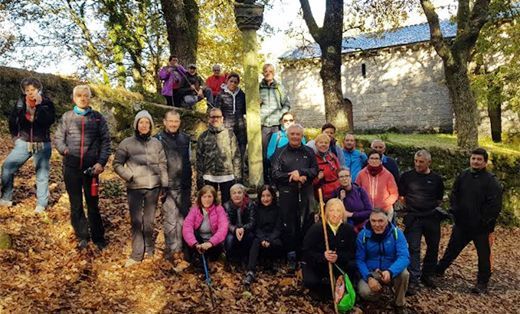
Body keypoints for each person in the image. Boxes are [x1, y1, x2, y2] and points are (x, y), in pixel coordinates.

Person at [435, 148, 502, 294]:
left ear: (485, 162)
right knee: (452, 249)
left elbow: (495, 205)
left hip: (481, 228)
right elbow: (454, 194)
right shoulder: (463, 175)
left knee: (483, 256)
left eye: (479, 159)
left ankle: (482, 283)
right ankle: (438, 271)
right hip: (462, 224)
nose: (475, 161)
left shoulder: (491, 181)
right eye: (473, 159)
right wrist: (455, 211)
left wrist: (484, 221)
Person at [55, 85, 111, 250]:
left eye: (86, 95)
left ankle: (98, 238)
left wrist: (101, 163)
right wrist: (64, 150)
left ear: (89, 98)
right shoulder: (67, 117)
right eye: (79, 95)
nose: (83, 98)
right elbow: (58, 137)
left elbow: (106, 142)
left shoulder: (98, 118)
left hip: (91, 169)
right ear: (74, 98)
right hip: (71, 167)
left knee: (93, 204)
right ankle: (82, 236)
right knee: (76, 203)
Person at [113, 110, 168, 267]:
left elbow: (162, 163)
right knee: (137, 221)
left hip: (153, 187)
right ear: (136, 125)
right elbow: (117, 164)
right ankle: (137, 254)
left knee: (149, 221)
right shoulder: (127, 143)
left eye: (147, 123)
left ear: (150, 125)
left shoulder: (156, 143)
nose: (144, 125)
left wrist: (164, 183)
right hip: (135, 187)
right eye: (141, 122)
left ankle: (149, 249)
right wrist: (129, 175)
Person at [1, 77, 55, 213]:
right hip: (23, 143)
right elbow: (12, 121)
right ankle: (6, 197)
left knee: (42, 175)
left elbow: (48, 121)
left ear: (39, 90)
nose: (30, 92)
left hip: (42, 144)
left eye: (33, 89)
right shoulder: (20, 103)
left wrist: (39, 105)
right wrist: (16, 138)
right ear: (24, 91)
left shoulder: (47, 103)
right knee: (7, 167)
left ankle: (41, 204)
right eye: (27, 90)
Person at [271, 123, 318, 271]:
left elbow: (315, 170)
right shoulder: (280, 152)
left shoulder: (309, 151)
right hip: (287, 192)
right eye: (293, 134)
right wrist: (292, 176)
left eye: (298, 134)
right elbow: (274, 173)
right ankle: (291, 255)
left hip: (306, 192)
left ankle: (305, 255)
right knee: (289, 224)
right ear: (288, 135)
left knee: (307, 222)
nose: (295, 137)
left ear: (302, 136)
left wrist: (302, 173)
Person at [398, 150, 444, 293]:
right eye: (416, 161)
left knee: (433, 246)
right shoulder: (407, 176)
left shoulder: (436, 179)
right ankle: (413, 278)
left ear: (429, 162)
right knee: (413, 247)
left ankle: (428, 275)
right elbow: (402, 196)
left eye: (421, 162)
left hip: (431, 217)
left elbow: (439, 199)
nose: (418, 164)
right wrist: (412, 207)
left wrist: (428, 207)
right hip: (414, 216)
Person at [155, 110, 192, 263]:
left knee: (183, 218)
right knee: (170, 219)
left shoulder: (186, 138)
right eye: (170, 121)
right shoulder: (158, 139)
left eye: (176, 121)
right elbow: (157, 164)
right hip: (168, 185)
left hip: (184, 184)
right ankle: (172, 251)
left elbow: (189, 160)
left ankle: (183, 249)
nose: (173, 124)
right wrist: (161, 185)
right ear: (165, 122)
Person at [302, 198, 357, 300]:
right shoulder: (317, 228)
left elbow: (352, 252)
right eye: (331, 210)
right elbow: (306, 251)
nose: (335, 214)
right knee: (312, 281)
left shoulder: (349, 230)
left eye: (338, 210)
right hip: (318, 265)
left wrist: (338, 257)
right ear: (326, 212)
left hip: (339, 265)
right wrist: (323, 256)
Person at [356, 208, 410, 311]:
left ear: (387, 220)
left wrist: (390, 271)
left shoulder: (397, 233)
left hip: (391, 270)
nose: (377, 224)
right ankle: (378, 293)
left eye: (380, 221)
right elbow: (359, 259)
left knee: (404, 274)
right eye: (373, 221)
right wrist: (369, 278)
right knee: (364, 292)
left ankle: (399, 304)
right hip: (372, 272)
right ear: (369, 221)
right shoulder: (362, 235)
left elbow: (404, 257)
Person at [196, 108, 241, 204]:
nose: (215, 119)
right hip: (209, 176)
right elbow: (199, 158)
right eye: (212, 117)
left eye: (218, 117)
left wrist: (238, 177)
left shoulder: (230, 134)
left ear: (222, 118)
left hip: (228, 176)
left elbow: (236, 156)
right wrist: (199, 177)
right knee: (210, 206)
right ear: (209, 119)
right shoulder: (203, 136)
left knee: (228, 206)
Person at [244, 185, 283, 286]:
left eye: (268, 196)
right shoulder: (256, 208)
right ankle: (250, 271)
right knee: (255, 242)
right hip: (260, 236)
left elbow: (278, 228)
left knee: (277, 243)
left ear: (273, 196)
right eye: (263, 196)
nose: (265, 199)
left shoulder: (278, 209)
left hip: (273, 237)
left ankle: (271, 263)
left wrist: (269, 239)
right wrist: (262, 239)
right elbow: (255, 227)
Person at [182, 185, 229, 265]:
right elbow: (187, 226)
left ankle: (209, 261)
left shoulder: (219, 209)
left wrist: (210, 243)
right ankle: (190, 261)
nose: (207, 199)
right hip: (198, 243)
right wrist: (195, 243)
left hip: (212, 243)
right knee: (188, 234)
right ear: (200, 198)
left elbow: (223, 228)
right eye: (204, 197)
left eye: (210, 196)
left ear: (214, 198)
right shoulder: (195, 209)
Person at [259, 63, 290, 182]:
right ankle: (266, 180)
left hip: (276, 125)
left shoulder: (279, 87)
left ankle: (276, 177)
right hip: (263, 125)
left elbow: (287, 104)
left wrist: (280, 115)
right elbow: (251, 106)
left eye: (270, 71)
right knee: (264, 154)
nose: (268, 74)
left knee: (277, 153)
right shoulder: (258, 88)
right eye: (266, 71)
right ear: (263, 73)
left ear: (274, 73)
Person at [356, 151, 399, 221]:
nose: (374, 161)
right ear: (368, 161)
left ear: (380, 161)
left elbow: (394, 194)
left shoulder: (388, 175)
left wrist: (383, 205)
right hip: (366, 210)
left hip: (384, 210)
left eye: (376, 158)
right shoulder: (361, 174)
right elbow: (356, 192)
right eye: (372, 158)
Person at [214, 73, 247, 163]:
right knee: (227, 150)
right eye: (231, 81)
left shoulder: (242, 95)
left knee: (241, 148)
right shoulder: (221, 95)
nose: (233, 83)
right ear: (227, 81)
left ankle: (240, 170)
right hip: (226, 126)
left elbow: (245, 110)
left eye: (235, 82)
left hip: (240, 126)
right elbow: (217, 111)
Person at [224, 184, 255, 266]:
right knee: (229, 239)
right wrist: (235, 230)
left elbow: (252, 221)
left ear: (244, 194)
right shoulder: (226, 206)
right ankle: (231, 260)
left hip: (246, 230)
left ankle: (245, 258)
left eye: (239, 192)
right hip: (232, 231)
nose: (237, 195)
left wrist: (243, 229)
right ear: (231, 195)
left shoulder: (250, 204)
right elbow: (227, 222)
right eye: (234, 193)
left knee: (250, 237)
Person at [333, 167, 372, 233]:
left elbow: (369, 211)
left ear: (350, 177)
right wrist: (340, 200)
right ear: (338, 179)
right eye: (341, 177)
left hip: (363, 227)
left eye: (346, 176)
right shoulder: (336, 193)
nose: (344, 179)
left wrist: (351, 214)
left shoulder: (360, 191)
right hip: (346, 229)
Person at [312, 134, 341, 202]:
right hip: (321, 195)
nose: (323, 145)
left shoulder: (332, 156)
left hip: (336, 192)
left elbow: (339, 173)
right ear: (316, 144)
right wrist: (318, 178)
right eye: (321, 142)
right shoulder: (312, 158)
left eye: (326, 143)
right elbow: (310, 182)